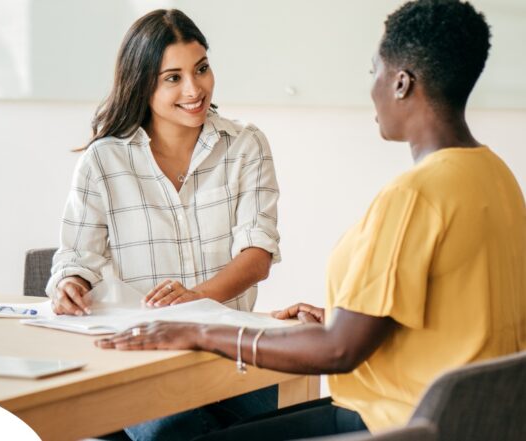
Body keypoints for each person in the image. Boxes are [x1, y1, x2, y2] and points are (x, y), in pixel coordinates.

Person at [96, 1, 526, 439]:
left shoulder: (414, 196)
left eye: (373, 70)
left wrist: (199, 332)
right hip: (461, 423)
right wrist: (342, 318)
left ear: (401, 83)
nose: (371, 86)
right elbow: (459, 319)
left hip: (389, 424)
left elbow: (339, 352)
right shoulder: (496, 178)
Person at [46, 9, 282, 441]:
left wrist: (195, 301)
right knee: (174, 431)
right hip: (142, 359)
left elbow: (257, 256)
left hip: (229, 354)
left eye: (202, 69)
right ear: (142, 84)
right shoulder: (103, 160)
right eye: (172, 77)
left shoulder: (245, 145)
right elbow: (77, 257)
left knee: (274, 421)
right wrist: (70, 283)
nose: (195, 89)